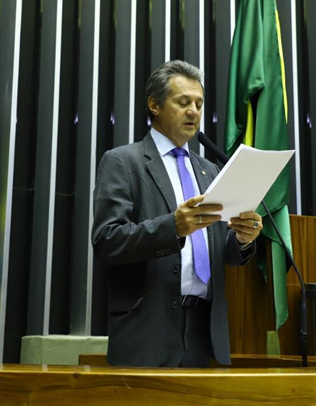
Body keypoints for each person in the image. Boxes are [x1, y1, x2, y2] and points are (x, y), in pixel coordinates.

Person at [92, 60, 262, 367]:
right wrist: (172, 227)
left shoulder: (209, 170)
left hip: (204, 331)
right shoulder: (122, 162)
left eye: (199, 103)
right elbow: (106, 240)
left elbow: (223, 251)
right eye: (183, 102)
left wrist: (243, 239)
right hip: (148, 330)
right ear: (154, 105)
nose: (194, 111)